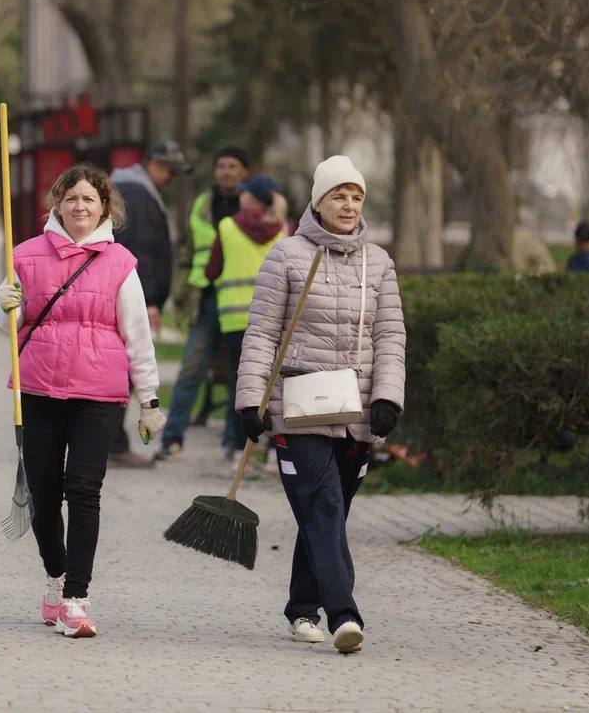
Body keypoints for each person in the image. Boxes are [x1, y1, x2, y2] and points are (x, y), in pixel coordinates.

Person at [235, 154, 405, 654]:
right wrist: (251, 401)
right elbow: (263, 332)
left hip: (356, 414)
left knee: (326, 514)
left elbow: (390, 335)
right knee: (325, 503)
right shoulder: (286, 256)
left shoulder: (380, 262)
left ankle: (301, 608)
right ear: (318, 201)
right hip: (300, 406)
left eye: (356, 196)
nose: (349, 205)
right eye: (338, 195)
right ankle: (344, 615)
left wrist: (388, 397)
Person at [0, 164, 164, 638]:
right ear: (57, 205)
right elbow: (9, 320)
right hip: (39, 389)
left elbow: (138, 336)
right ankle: (55, 576)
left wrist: (148, 400)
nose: (80, 207)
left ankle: (76, 598)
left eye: (89, 199)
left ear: (104, 206)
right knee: (44, 496)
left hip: (99, 395)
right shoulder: (26, 256)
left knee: (84, 492)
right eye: (71, 199)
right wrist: (4, 304)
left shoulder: (121, 264)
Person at [155, 146, 251, 460]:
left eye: (232, 166)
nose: (225, 171)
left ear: (244, 172)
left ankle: (234, 444)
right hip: (206, 300)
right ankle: (172, 440)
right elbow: (187, 253)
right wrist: (181, 297)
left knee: (241, 375)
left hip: (242, 305)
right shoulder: (201, 205)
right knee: (190, 370)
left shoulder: (253, 209)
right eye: (221, 165)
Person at [109, 140, 192, 467]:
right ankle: (114, 445)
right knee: (125, 372)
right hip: (136, 297)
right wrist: (149, 300)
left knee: (120, 370)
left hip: (131, 294)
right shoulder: (139, 195)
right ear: (153, 165)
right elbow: (141, 251)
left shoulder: (130, 188)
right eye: (169, 171)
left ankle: (110, 442)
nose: (171, 178)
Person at [203, 174, 289, 466]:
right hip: (275, 320)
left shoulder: (227, 227)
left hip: (235, 320)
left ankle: (240, 451)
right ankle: (276, 452)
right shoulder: (283, 229)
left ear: (250, 198)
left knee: (241, 386)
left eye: (244, 193)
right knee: (275, 386)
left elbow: (211, 271)